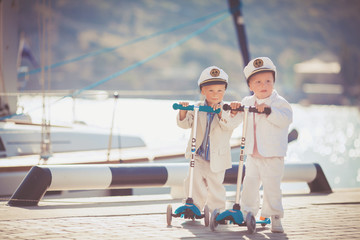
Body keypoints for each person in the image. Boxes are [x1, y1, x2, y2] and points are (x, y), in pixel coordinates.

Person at [229, 57, 293, 233]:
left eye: (268, 81)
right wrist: (234, 110)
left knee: (272, 186)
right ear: (250, 86)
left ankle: (275, 217)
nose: (264, 85)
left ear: (273, 82)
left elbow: (286, 118)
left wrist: (269, 111)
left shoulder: (279, 103)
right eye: (258, 82)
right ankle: (247, 212)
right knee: (249, 184)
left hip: (272, 155)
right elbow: (234, 119)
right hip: (253, 154)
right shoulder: (247, 102)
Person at [176, 66, 241, 213]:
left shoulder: (228, 110)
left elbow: (230, 125)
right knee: (192, 181)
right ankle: (194, 206)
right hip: (198, 155)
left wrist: (220, 114)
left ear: (224, 91)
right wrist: (183, 111)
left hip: (217, 157)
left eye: (219, 90)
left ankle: (216, 210)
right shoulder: (198, 108)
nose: (215, 94)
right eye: (210, 90)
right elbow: (185, 124)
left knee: (215, 185)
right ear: (203, 91)